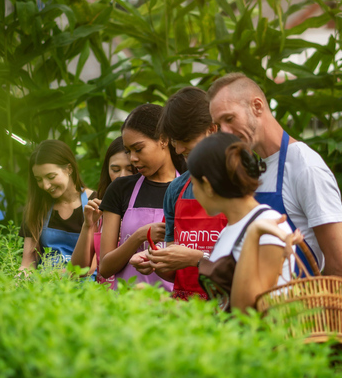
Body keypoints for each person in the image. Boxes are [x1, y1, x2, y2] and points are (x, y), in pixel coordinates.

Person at [208, 73, 342, 281]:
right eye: (218, 125)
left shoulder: (305, 167)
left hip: (297, 309)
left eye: (229, 119)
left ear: (257, 107)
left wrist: (314, 309)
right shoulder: (258, 166)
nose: (224, 131)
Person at [186, 132, 294, 312]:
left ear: (208, 185)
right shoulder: (228, 229)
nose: (194, 191)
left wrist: (253, 235)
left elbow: (247, 311)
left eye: (193, 183)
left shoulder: (269, 224)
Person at [145, 87, 227, 300]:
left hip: (229, 309)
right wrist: (155, 261)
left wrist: (197, 258)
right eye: (174, 141)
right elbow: (173, 271)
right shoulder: (176, 189)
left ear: (211, 129)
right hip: (185, 311)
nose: (179, 149)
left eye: (185, 139)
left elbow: (249, 268)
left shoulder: (241, 185)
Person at [98, 104, 186, 290]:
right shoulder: (120, 189)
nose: (132, 159)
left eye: (138, 149)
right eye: (129, 151)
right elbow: (105, 268)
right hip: (128, 308)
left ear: (163, 140)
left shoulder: (190, 188)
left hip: (176, 308)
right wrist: (139, 237)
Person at [20, 139, 93, 271]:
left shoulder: (96, 202)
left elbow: (97, 263)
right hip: (46, 284)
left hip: (86, 283)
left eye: (51, 176)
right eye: (39, 179)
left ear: (69, 169)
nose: (46, 185)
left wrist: (62, 278)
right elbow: (27, 263)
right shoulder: (36, 207)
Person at [70, 137, 135, 282]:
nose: (122, 176)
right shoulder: (101, 210)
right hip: (105, 300)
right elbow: (77, 271)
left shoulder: (148, 210)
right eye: (115, 170)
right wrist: (89, 225)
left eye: (130, 169)